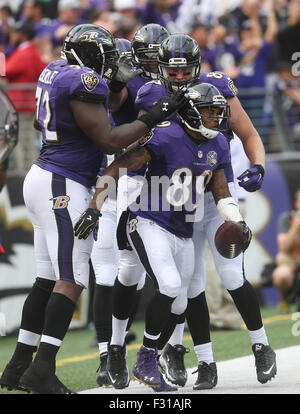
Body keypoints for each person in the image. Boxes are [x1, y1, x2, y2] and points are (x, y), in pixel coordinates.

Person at [0, 23, 186, 395]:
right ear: (91, 56)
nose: (112, 65)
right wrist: (152, 116)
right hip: (64, 182)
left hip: (44, 175)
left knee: (45, 280)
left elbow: (40, 120)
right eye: (107, 57)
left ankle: (18, 365)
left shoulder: (53, 71)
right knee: (71, 280)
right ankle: (42, 370)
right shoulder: (85, 81)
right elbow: (109, 138)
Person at [74, 81, 252, 391]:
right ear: (192, 114)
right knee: (160, 283)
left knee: (180, 301)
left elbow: (222, 191)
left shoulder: (219, 144)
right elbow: (118, 166)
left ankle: (149, 357)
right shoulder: (166, 136)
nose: (216, 120)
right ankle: (126, 353)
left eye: (218, 113)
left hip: (182, 229)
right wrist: (94, 206)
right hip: (147, 218)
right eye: (209, 113)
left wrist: (236, 219)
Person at [134, 33, 276, 390]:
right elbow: (137, 143)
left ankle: (261, 344)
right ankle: (204, 363)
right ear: (163, 69)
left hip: (215, 191)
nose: (180, 78)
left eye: (186, 72)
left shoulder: (216, 88)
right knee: (190, 284)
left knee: (230, 276)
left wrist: (258, 165)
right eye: (173, 72)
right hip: (176, 202)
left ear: (197, 67)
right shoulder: (153, 95)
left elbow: (248, 133)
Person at [90, 26, 170, 391]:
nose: (153, 61)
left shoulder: (175, 81)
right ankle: (112, 351)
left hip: (158, 180)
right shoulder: (123, 83)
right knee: (118, 269)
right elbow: (115, 104)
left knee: (174, 271)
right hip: (122, 175)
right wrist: (115, 83)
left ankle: (167, 350)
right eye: (146, 54)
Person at [272, 188, 300, 314]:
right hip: (292, 263)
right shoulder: (287, 218)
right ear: (296, 203)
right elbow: (283, 247)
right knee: (281, 273)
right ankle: (284, 300)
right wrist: (296, 226)